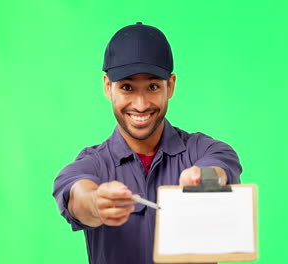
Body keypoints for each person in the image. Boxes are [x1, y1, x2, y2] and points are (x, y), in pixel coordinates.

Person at [52, 22, 242, 264]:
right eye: (127, 88)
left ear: (170, 85)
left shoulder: (203, 149)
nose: (140, 105)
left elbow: (221, 168)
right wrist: (97, 202)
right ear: (108, 87)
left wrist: (203, 180)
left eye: (152, 87)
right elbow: (77, 194)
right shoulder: (92, 164)